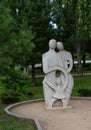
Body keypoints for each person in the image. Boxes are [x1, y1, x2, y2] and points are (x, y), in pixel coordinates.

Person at [57, 42, 74, 107]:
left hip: (67, 72)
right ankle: (63, 102)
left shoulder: (68, 53)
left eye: (61, 45)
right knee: (62, 86)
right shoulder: (57, 54)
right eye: (58, 46)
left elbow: (71, 63)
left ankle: (66, 101)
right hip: (61, 73)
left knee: (70, 85)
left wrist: (67, 71)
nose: (60, 46)